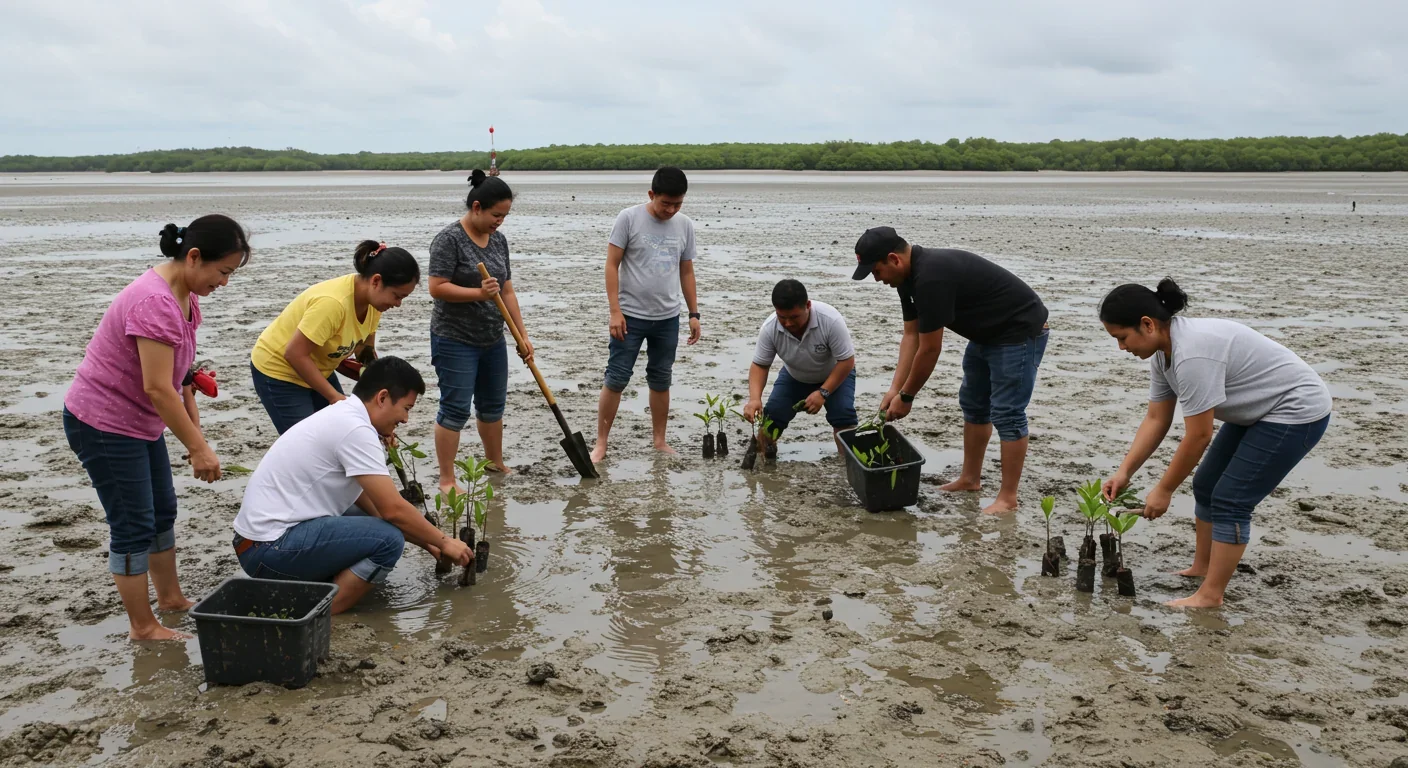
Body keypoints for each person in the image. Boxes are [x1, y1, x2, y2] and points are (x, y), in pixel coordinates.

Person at [63, 216, 251, 641]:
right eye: (222, 272)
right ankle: (143, 627)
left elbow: (179, 378)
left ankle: (170, 600)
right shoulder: (155, 301)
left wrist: (194, 438)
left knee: (162, 510)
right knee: (132, 523)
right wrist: (199, 448)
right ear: (194, 256)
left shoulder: (186, 295)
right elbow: (155, 387)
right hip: (104, 423)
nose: (224, 282)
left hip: (139, 422)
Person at [1099, 279, 1331, 609]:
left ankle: (1211, 595)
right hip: (1255, 410)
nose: (1121, 348)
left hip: (1295, 411)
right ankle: (1202, 568)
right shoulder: (1162, 354)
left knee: (1232, 500)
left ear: (1147, 325)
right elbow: (1156, 419)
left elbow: (1198, 436)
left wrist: (1163, 491)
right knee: (1206, 485)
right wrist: (1125, 472)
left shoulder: (1192, 354)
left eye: (1122, 338)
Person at [232, 357, 472, 614]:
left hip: (255, 544)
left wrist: (429, 543)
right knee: (388, 541)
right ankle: (319, 614)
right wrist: (446, 541)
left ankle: (317, 583)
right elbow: (392, 510)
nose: (405, 419)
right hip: (269, 550)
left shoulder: (344, 414)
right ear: (382, 398)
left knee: (364, 514)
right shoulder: (355, 429)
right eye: (406, 408)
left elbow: (377, 508)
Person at [852, 226, 1048, 515]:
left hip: (1018, 332)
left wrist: (907, 396)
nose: (878, 280)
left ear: (893, 259)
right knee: (974, 405)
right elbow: (912, 336)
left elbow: (930, 348)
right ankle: (970, 479)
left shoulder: (931, 277)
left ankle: (1008, 498)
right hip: (986, 334)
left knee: (1007, 412)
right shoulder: (907, 279)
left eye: (876, 272)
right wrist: (894, 389)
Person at [590, 166, 701, 462]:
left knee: (661, 378)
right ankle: (601, 444)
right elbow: (611, 264)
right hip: (630, 317)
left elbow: (686, 270)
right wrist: (615, 312)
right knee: (616, 378)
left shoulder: (685, 225)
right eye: (665, 203)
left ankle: (659, 440)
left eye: (678, 204)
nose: (671, 210)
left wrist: (694, 313)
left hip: (667, 318)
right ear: (651, 195)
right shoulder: (628, 218)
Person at [250, 241, 419, 434]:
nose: (398, 304)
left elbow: (364, 350)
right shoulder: (333, 304)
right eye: (397, 296)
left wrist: (379, 390)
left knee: (339, 432)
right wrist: (334, 397)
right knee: (309, 443)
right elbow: (295, 354)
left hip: (319, 365)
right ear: (376, 281)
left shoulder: (373, 304)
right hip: (280, 371)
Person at [429, 170, 532, 488]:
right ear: (477, 207)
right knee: (455, 408)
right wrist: (478, 293)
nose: (500, 221)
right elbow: (436, 287)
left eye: (505, 216)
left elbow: (508, 291)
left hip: (492, 338)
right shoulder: (449, 240)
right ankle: (447, 479)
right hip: (454, 338)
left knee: (492, 406)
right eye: (496, 215)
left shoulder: (499, 241)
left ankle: (494, 463)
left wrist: (521, 334)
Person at [742, 279, 857, 457]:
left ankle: (849, 465)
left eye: (794, 317)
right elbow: (760, 365)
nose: (788, 323)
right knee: (772, 418)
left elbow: (847, 361)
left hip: (835, 374)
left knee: (843, 416)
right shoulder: (770, 328)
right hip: (794, 376)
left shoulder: (830, 320)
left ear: (808, 306)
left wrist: (823, 392)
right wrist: (755, 399)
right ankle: (764, 467)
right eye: (782, 317)